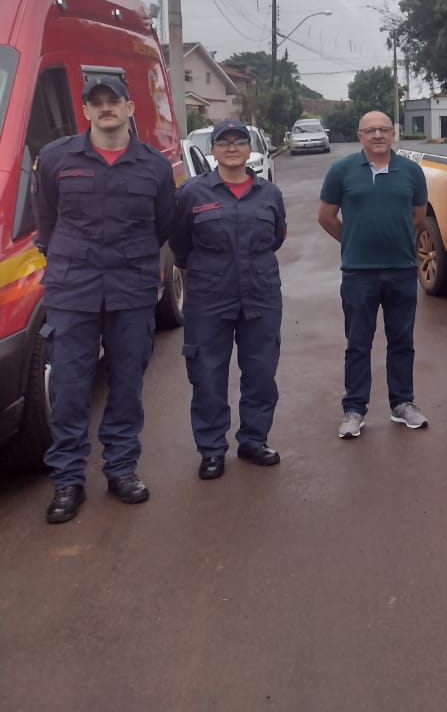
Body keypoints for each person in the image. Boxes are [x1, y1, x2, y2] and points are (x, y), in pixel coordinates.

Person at [34, 75, 176, 524]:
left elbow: (162, 224)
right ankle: (68, 480)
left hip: (131, 290)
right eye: (96, 102)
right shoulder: (57, 159)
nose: (105, 108)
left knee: (127, 384)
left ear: (130, 107)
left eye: (113, 100)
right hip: (73, 291)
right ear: (86, 110)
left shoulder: (153, 166)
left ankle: (120, 469)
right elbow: (47, 223)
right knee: (70, 388)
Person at [171, 119, 287, 480]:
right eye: (224, 142)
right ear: (214, 149)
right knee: (207, 374)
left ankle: (254, 440)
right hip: (209, 297)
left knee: (261, 372)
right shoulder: (192, 193)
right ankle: (211, 450)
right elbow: (180, 244)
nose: (232, 147)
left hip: (261, 294)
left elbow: (276, 237)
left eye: (239, 141)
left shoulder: (269, 194)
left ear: (249, 148)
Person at [319, 110, 430, 439]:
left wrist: (396, 242)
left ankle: (403, 404)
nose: (378, 135)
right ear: (360, 136)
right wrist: (352, 241)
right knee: (358, 344)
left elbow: (418, 216)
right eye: (371, 131)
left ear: (393, 135)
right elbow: (325, 216)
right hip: (358, 273)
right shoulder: (342, 171)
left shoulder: (410, 171)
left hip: (402, 271)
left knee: (402, 341)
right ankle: (354, 409)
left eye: (384, 129)